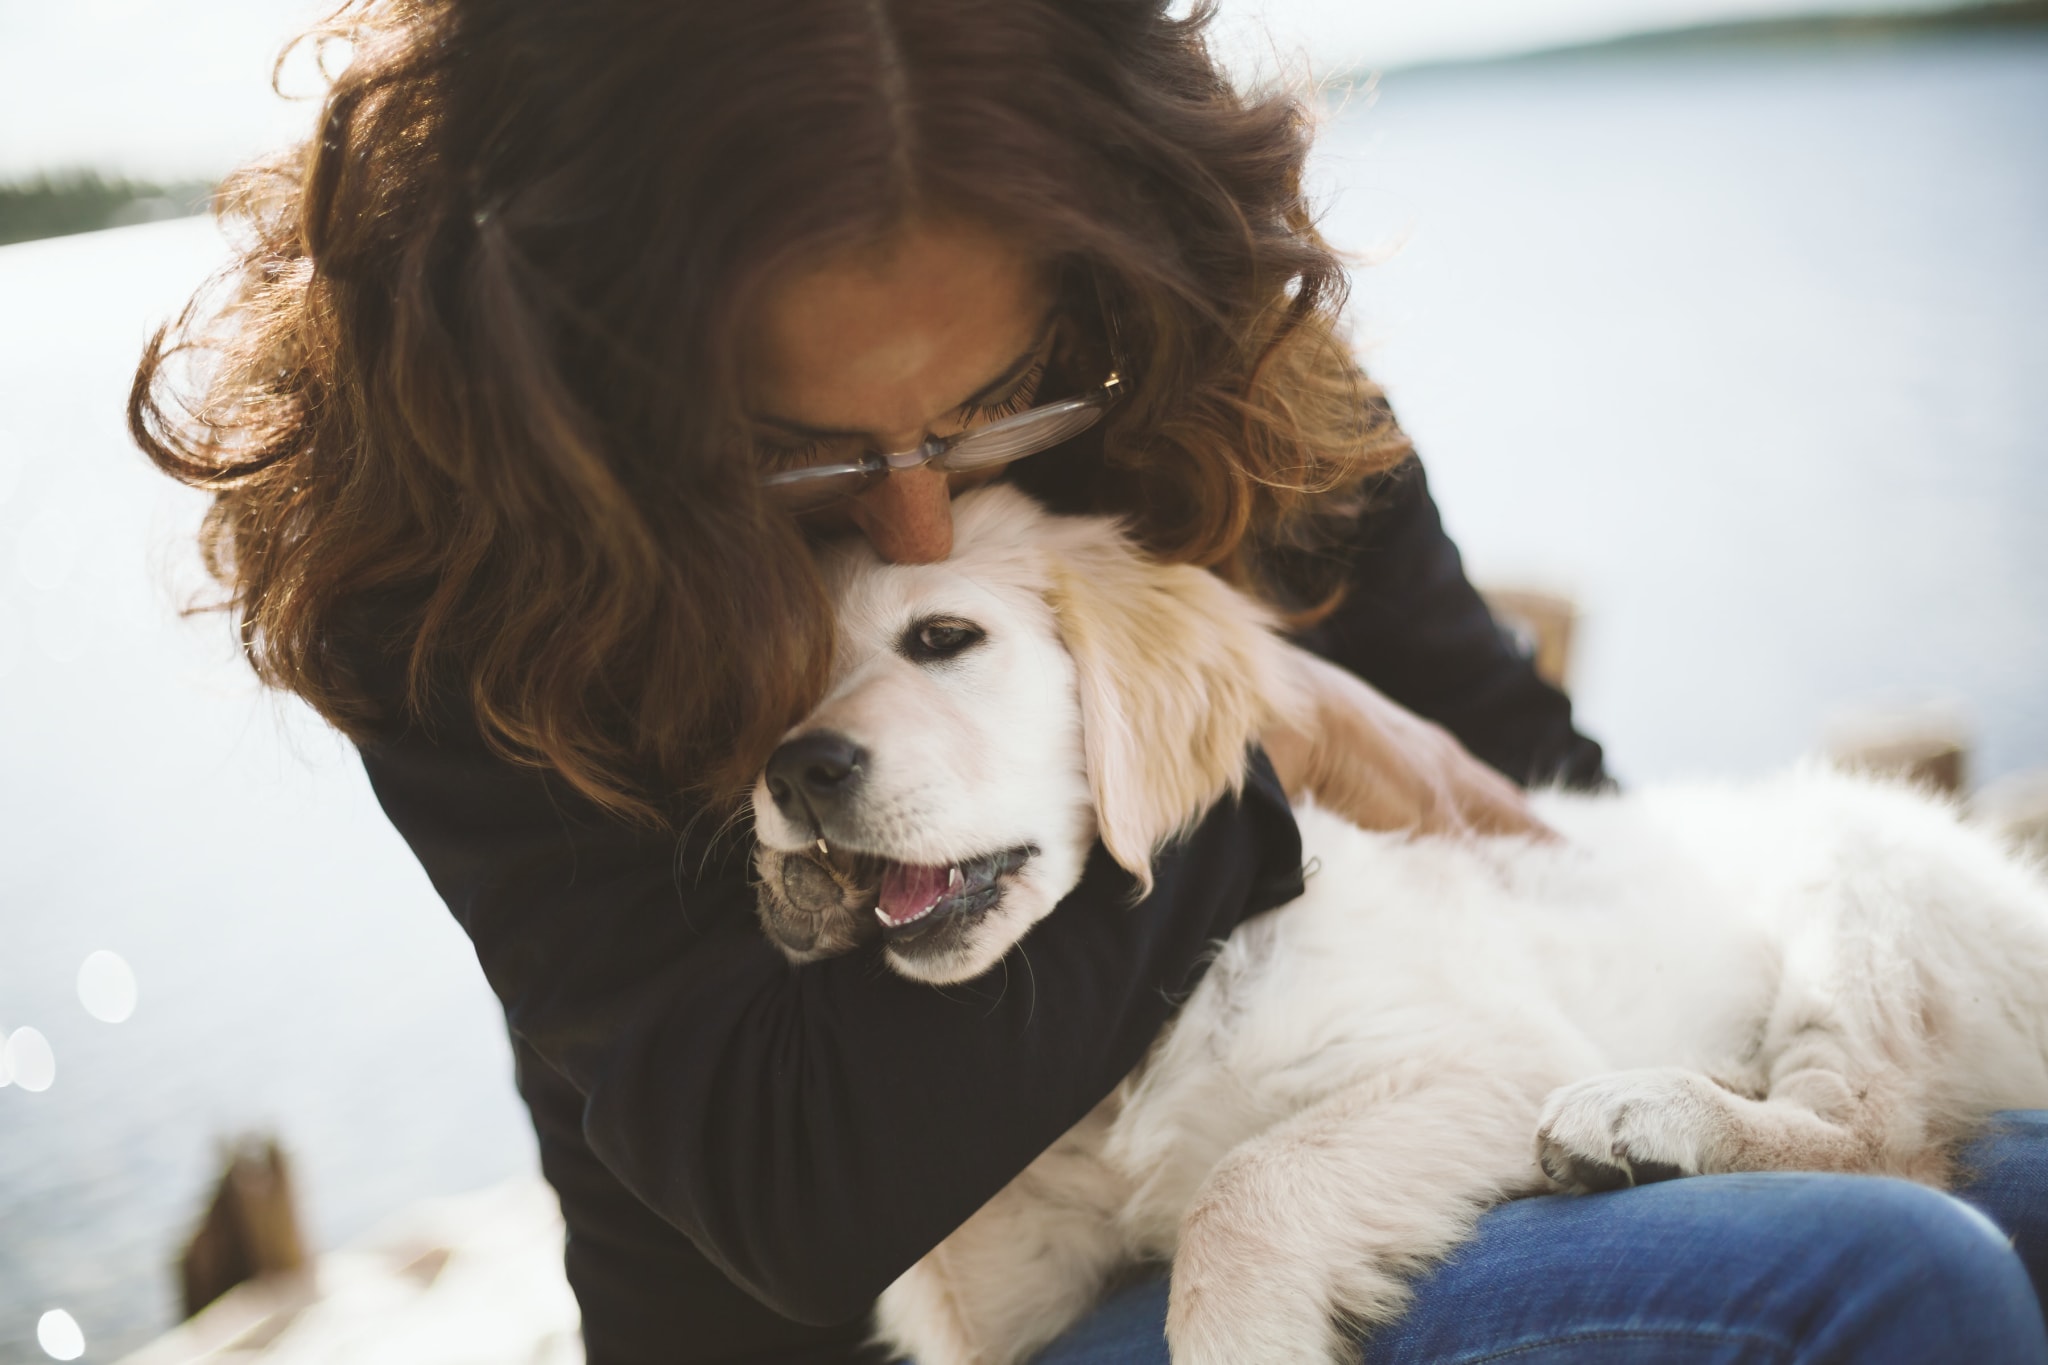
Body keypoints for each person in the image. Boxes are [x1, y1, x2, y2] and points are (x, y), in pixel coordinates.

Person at [131, 0, 2048, 1361]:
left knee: (2021, 1177)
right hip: (880, 1321)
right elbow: (802, 1188)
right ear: (600, 372)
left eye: (989, 404)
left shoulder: (1199, 374)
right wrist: (1246, 735)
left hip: (1397, 1126)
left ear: (1099, 273)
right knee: (1886, 1280)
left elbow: (1530, 805)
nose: (907, 506)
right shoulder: (474, 585)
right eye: (800, 446)